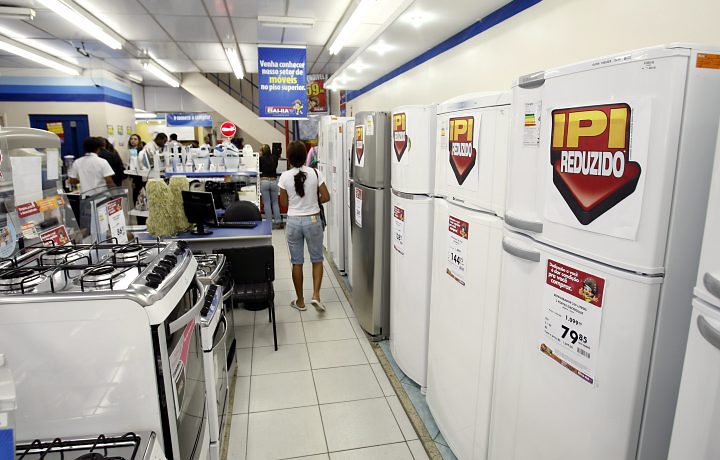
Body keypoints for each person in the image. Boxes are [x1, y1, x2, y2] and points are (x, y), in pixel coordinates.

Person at [278, 141, 330, 312]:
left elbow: (283, 203)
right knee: (317, 259)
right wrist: (313, 201)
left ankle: (300, 302)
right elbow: (326, 196)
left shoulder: (284, 177)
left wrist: (296, 201)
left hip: (293, 222)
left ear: (289, 158)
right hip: (313, 220)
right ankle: (316, 295)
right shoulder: (315, 173)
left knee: (297, 262)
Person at [259, 144, 282, 229]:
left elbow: (260, 169)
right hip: (274, 181)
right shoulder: (274, 158)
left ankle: (269, 223)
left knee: (267, 203)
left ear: (263, 151)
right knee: (275, 202)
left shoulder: (261, 159)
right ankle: (278, 221)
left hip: (264, 181)